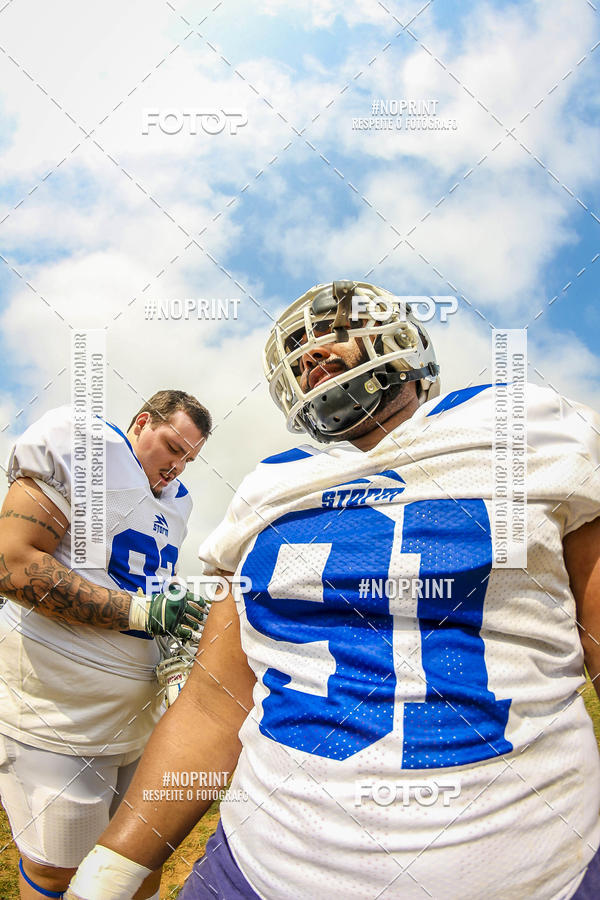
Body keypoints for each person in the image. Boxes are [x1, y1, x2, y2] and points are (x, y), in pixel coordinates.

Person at [67, 282, 600, 899]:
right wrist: (116, 866)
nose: (310, 352)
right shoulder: (268, 486)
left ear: (402, 338)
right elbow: (216, 702)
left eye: (331, 332)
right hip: (257, 871)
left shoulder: (521, 424)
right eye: (296, 346)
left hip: (541, 871)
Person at [0, 389, 212, 900]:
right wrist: (141, 612)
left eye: (189, 458)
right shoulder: (84, 443)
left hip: (139, 719)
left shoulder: (179, 505)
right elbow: (11, 563)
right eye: (172, 447)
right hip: (60, 711)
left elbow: (144, 586)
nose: (177, 466)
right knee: (58, 870)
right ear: (142, 422)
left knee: (137, 863)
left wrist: (173, 637)